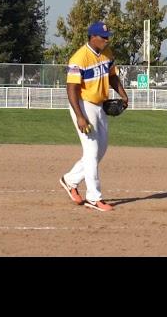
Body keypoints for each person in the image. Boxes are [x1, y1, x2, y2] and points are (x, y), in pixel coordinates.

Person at [59, 22, 129, 211]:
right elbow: (71, 88)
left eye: (108, 37)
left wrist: (123, 94)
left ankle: (70, 180)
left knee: (100, 149)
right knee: (91, 150)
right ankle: (93, 197)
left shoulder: (107, 53)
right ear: (92, 37)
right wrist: (79, 116)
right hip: (83, 104)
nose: (107, 40)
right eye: (103, 37)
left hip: (99, 105)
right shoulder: (79, 58)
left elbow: (112, 76)